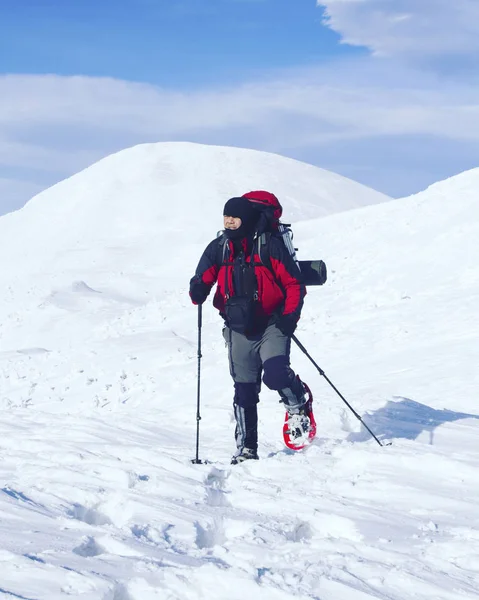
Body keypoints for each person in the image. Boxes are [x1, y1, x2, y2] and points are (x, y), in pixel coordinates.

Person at [189, 192, 310, 464]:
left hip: (272, 323)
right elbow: (202, 280)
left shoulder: (269, 246)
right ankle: (246, 447)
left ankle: (297, 403)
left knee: (276, 375)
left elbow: (293, 285)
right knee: (244, 389)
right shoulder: (219, 248)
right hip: (237, 327)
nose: (230, 223)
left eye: (235, 218)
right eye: (226, 218)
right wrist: (197, 290)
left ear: (245, 220)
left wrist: (289, 317)